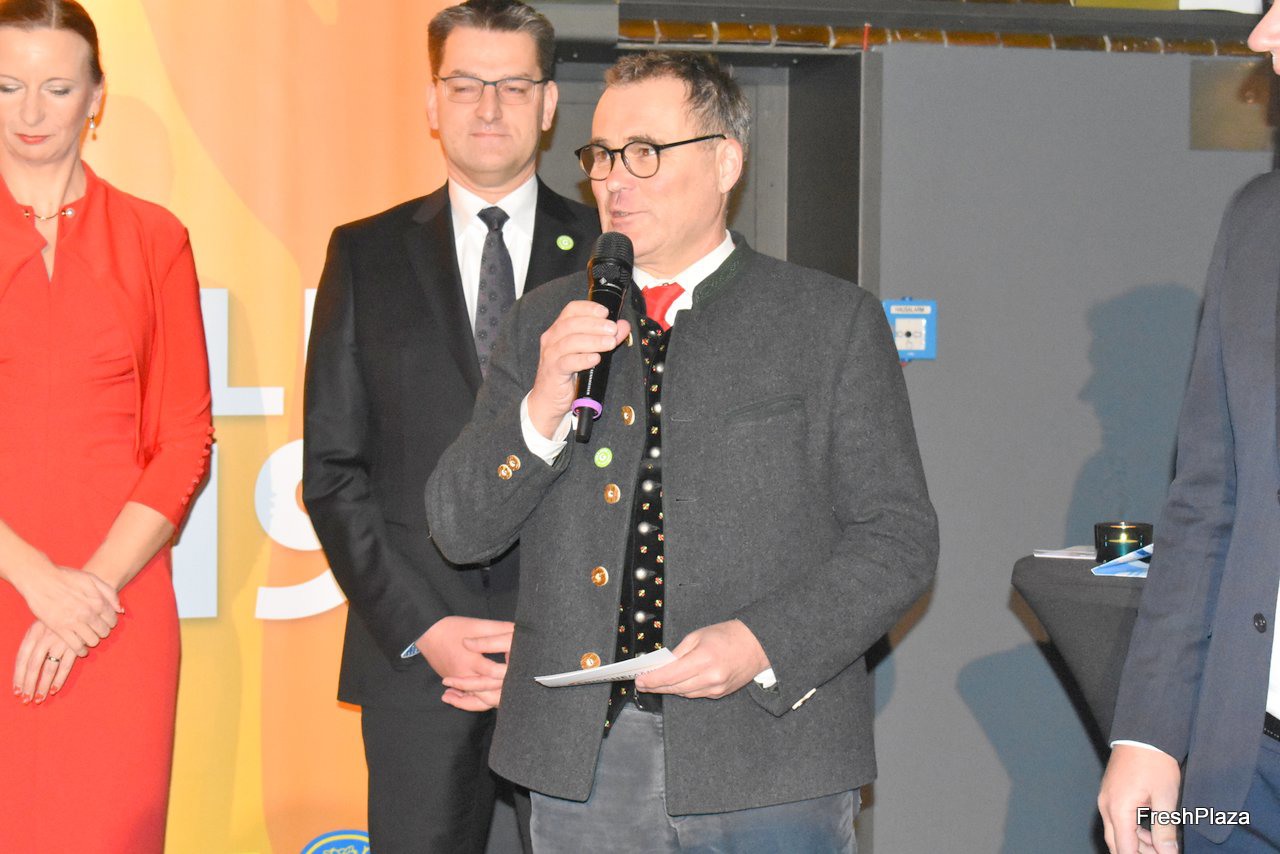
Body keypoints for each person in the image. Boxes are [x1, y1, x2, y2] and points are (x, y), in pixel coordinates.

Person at [425, 51, 937, 851]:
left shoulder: (828, 322)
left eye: (644, 153)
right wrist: (541, 406)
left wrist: (761, 642)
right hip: (584, 759)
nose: (613, 181)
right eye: (601, 156)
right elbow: (460, 529)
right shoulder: (545, 324)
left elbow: (898, 539)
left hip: (771, 753)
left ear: (725, 162)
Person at [301, 1, 598, 850]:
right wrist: (424, 628)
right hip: (416, 661)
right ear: (432, 102)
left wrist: (557, 633)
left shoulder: (612, 252)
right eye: (465, 85)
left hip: (573, 659)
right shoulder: (364, 253)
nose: (489, 107)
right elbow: (333, 471)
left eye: (514, 86)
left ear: (549, 104)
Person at [0, 1, 213, 851]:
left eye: (57, 88)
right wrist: (36, 581)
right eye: (7, 85)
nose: (30, 111)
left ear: (96, 98)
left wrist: (88, 589)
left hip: (117, 606)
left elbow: (184, 439)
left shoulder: (155, 238)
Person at [1097, 5, 1280, 852]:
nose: (1260, 36)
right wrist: (1149, 733)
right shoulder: (1258, 222)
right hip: (1244, 779)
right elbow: (1209, 497)